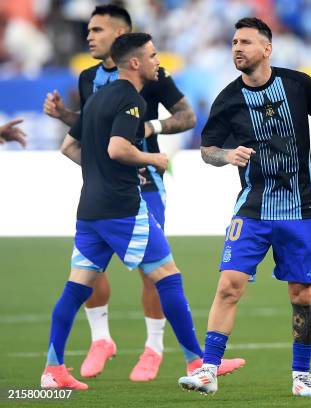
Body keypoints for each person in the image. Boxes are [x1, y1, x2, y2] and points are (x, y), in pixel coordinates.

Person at [42, 4, 243, 381]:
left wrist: (100, 171)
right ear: (134, 62)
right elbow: (118, 148)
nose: (157, 61)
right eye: (152, 56)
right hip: (123, 205)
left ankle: (52, 370)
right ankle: (196, 361)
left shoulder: (98, 96)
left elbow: (70, 147)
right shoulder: (130, 99)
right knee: (168, 276)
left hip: (90, 208)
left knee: (75, 287)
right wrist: (152, 157)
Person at [178, 17, 311, 397]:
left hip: (299, 209)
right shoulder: (228, 98)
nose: (237, 48)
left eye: (246, 42)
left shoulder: (297, 84)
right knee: (228, 286)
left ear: (266, 49)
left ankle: (301, 376)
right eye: (234, 42)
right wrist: (226, 155)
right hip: (252, 210)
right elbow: (206, 150)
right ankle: (208, 370)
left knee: (302, 295)